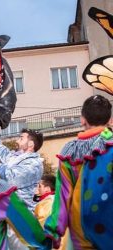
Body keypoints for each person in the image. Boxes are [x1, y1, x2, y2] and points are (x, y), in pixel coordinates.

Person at [45, 95, 113, 249]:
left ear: (82, 119)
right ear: (110, 120)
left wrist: (54, 231)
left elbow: (63, 195)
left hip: (80, 230)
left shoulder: (70, 151)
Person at [0, 122, 44, 211]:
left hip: (23, 213)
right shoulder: (16, 158)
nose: (17, 141)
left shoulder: (34, 164)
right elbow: (1, 150)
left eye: (21, 138)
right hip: (9, 209)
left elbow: (12, 178)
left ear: (31, 144)